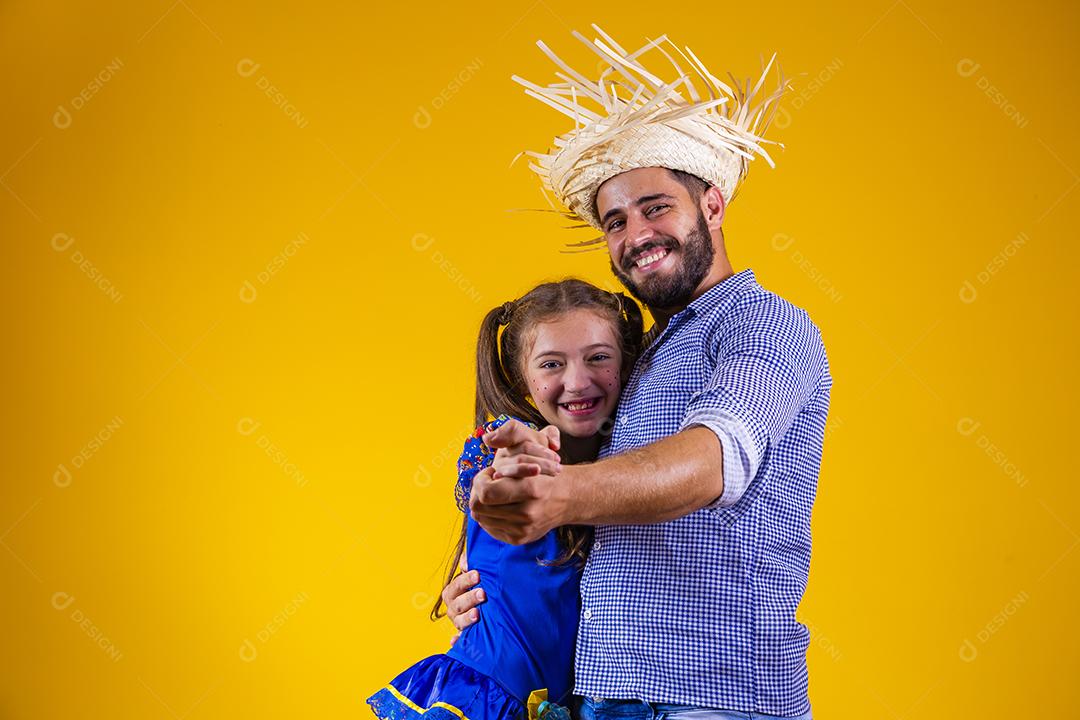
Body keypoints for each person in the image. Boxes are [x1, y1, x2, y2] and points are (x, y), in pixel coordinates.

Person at [441, 29, 831, 719]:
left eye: (656, 208)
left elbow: (715, 461)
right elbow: (607, 525)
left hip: (714, 701)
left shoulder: (764, 325)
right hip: (596, 699)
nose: (635, 235)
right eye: (614, 221)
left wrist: (560, 494)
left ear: (712, 204)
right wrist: (487, 584)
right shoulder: (636, 357)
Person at [366, 279, 644, 720]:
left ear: (625, 365)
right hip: (487, 700)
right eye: (551, 364)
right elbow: (498, 481)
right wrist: (510, 470)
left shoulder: (622, 464)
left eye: (598, 358)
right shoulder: (511, 445)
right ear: (521, 380)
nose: (577, 380)